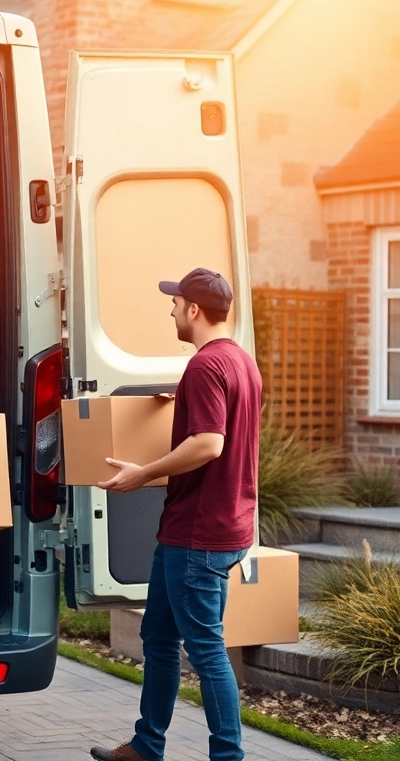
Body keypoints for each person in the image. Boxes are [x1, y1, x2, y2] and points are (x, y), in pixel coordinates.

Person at [89, 268, 262, 761]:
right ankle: (146, 747)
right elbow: (218, 419)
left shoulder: (206, 367)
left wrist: (142, 474)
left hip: (198, 534)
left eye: (175, 302)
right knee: (158, 638)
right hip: (202, 528)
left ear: (193, 310)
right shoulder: (239, 363)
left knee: (206, 651)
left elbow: (210, 443)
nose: (170, 310)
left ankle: (227, 757)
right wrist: (180, 396)